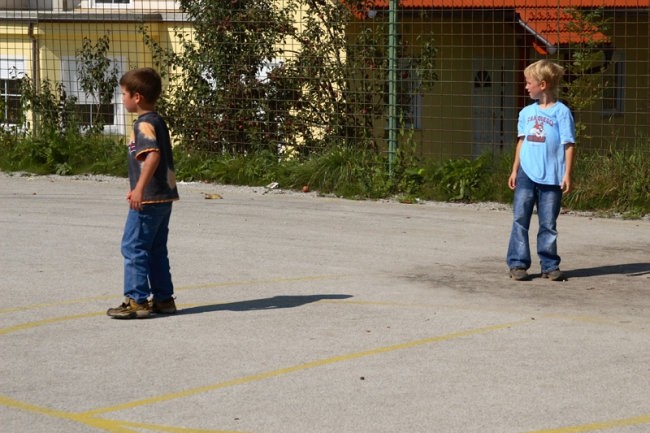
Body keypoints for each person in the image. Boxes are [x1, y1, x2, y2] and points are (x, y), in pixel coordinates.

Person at [107, 67, 180, 319]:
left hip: (148, 197)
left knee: (133, 246)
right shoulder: (158, 120)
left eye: (124, 94)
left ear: (137, 97)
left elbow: (153, 156)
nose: (122, 98)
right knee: (156, 248)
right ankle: (164, 299)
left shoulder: (144, 124)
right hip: (164, 195)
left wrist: (138, 189)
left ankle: (137, 300)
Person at [506, 59, 575, 281]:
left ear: (542, 85)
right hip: (526, 173)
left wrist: (566, 174)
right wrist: (515, 170)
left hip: (552, 177)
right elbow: (521, 142)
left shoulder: (562, 112)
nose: (526, 86)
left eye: (529, 83)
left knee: (548, 223)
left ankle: (549, 265)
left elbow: (568, 144)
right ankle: (518, 263)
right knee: (520, 219)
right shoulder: (526, 113)